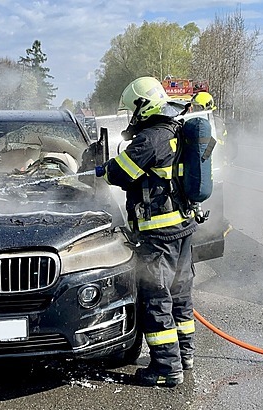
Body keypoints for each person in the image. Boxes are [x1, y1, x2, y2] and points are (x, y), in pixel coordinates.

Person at [96, 77, 197, 388]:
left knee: (156, 298)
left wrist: (104, 169)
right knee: (180, 294)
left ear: (142, 105)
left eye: (132, 110)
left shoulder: (149, 139)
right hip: (182, 229)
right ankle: (185, 355)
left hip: (158, 235)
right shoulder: (175, 131)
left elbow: (120, 173)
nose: (131, 116)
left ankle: (166, 368)